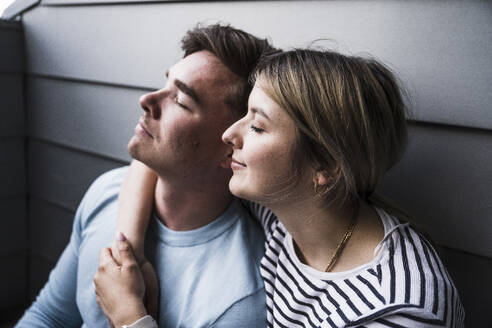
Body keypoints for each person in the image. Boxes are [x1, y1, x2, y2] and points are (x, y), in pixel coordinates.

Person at [95, 49, 465, 327]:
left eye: (256, 127)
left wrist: (130, 316)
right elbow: (151, 154)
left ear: (324, 165)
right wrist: (136, 252)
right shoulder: (286, 208)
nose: (229, 135)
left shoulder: (399, 308)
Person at [15, 24, 277, 328]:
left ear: (232, 146)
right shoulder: (109, 191)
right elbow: (50, 317)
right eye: (165, 82)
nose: (147, 99)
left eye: (181, 100)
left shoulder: (239, 299)